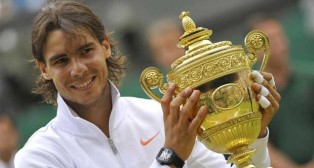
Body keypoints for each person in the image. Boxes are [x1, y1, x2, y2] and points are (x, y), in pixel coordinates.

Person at [14, 1, 280, 167]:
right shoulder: (39, 157)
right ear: (44, 69)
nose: (78, 69)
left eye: (86, 51)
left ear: (105, 47)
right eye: (61, 60)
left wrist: (253, 139)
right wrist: (172, 156)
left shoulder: (160, 117)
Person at [249, 15, 314, 167]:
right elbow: (258, 141)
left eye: (280, 36)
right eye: (270, 40)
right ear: (255, 51)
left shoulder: (310, 79)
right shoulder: (252, 94)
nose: (279, 43)